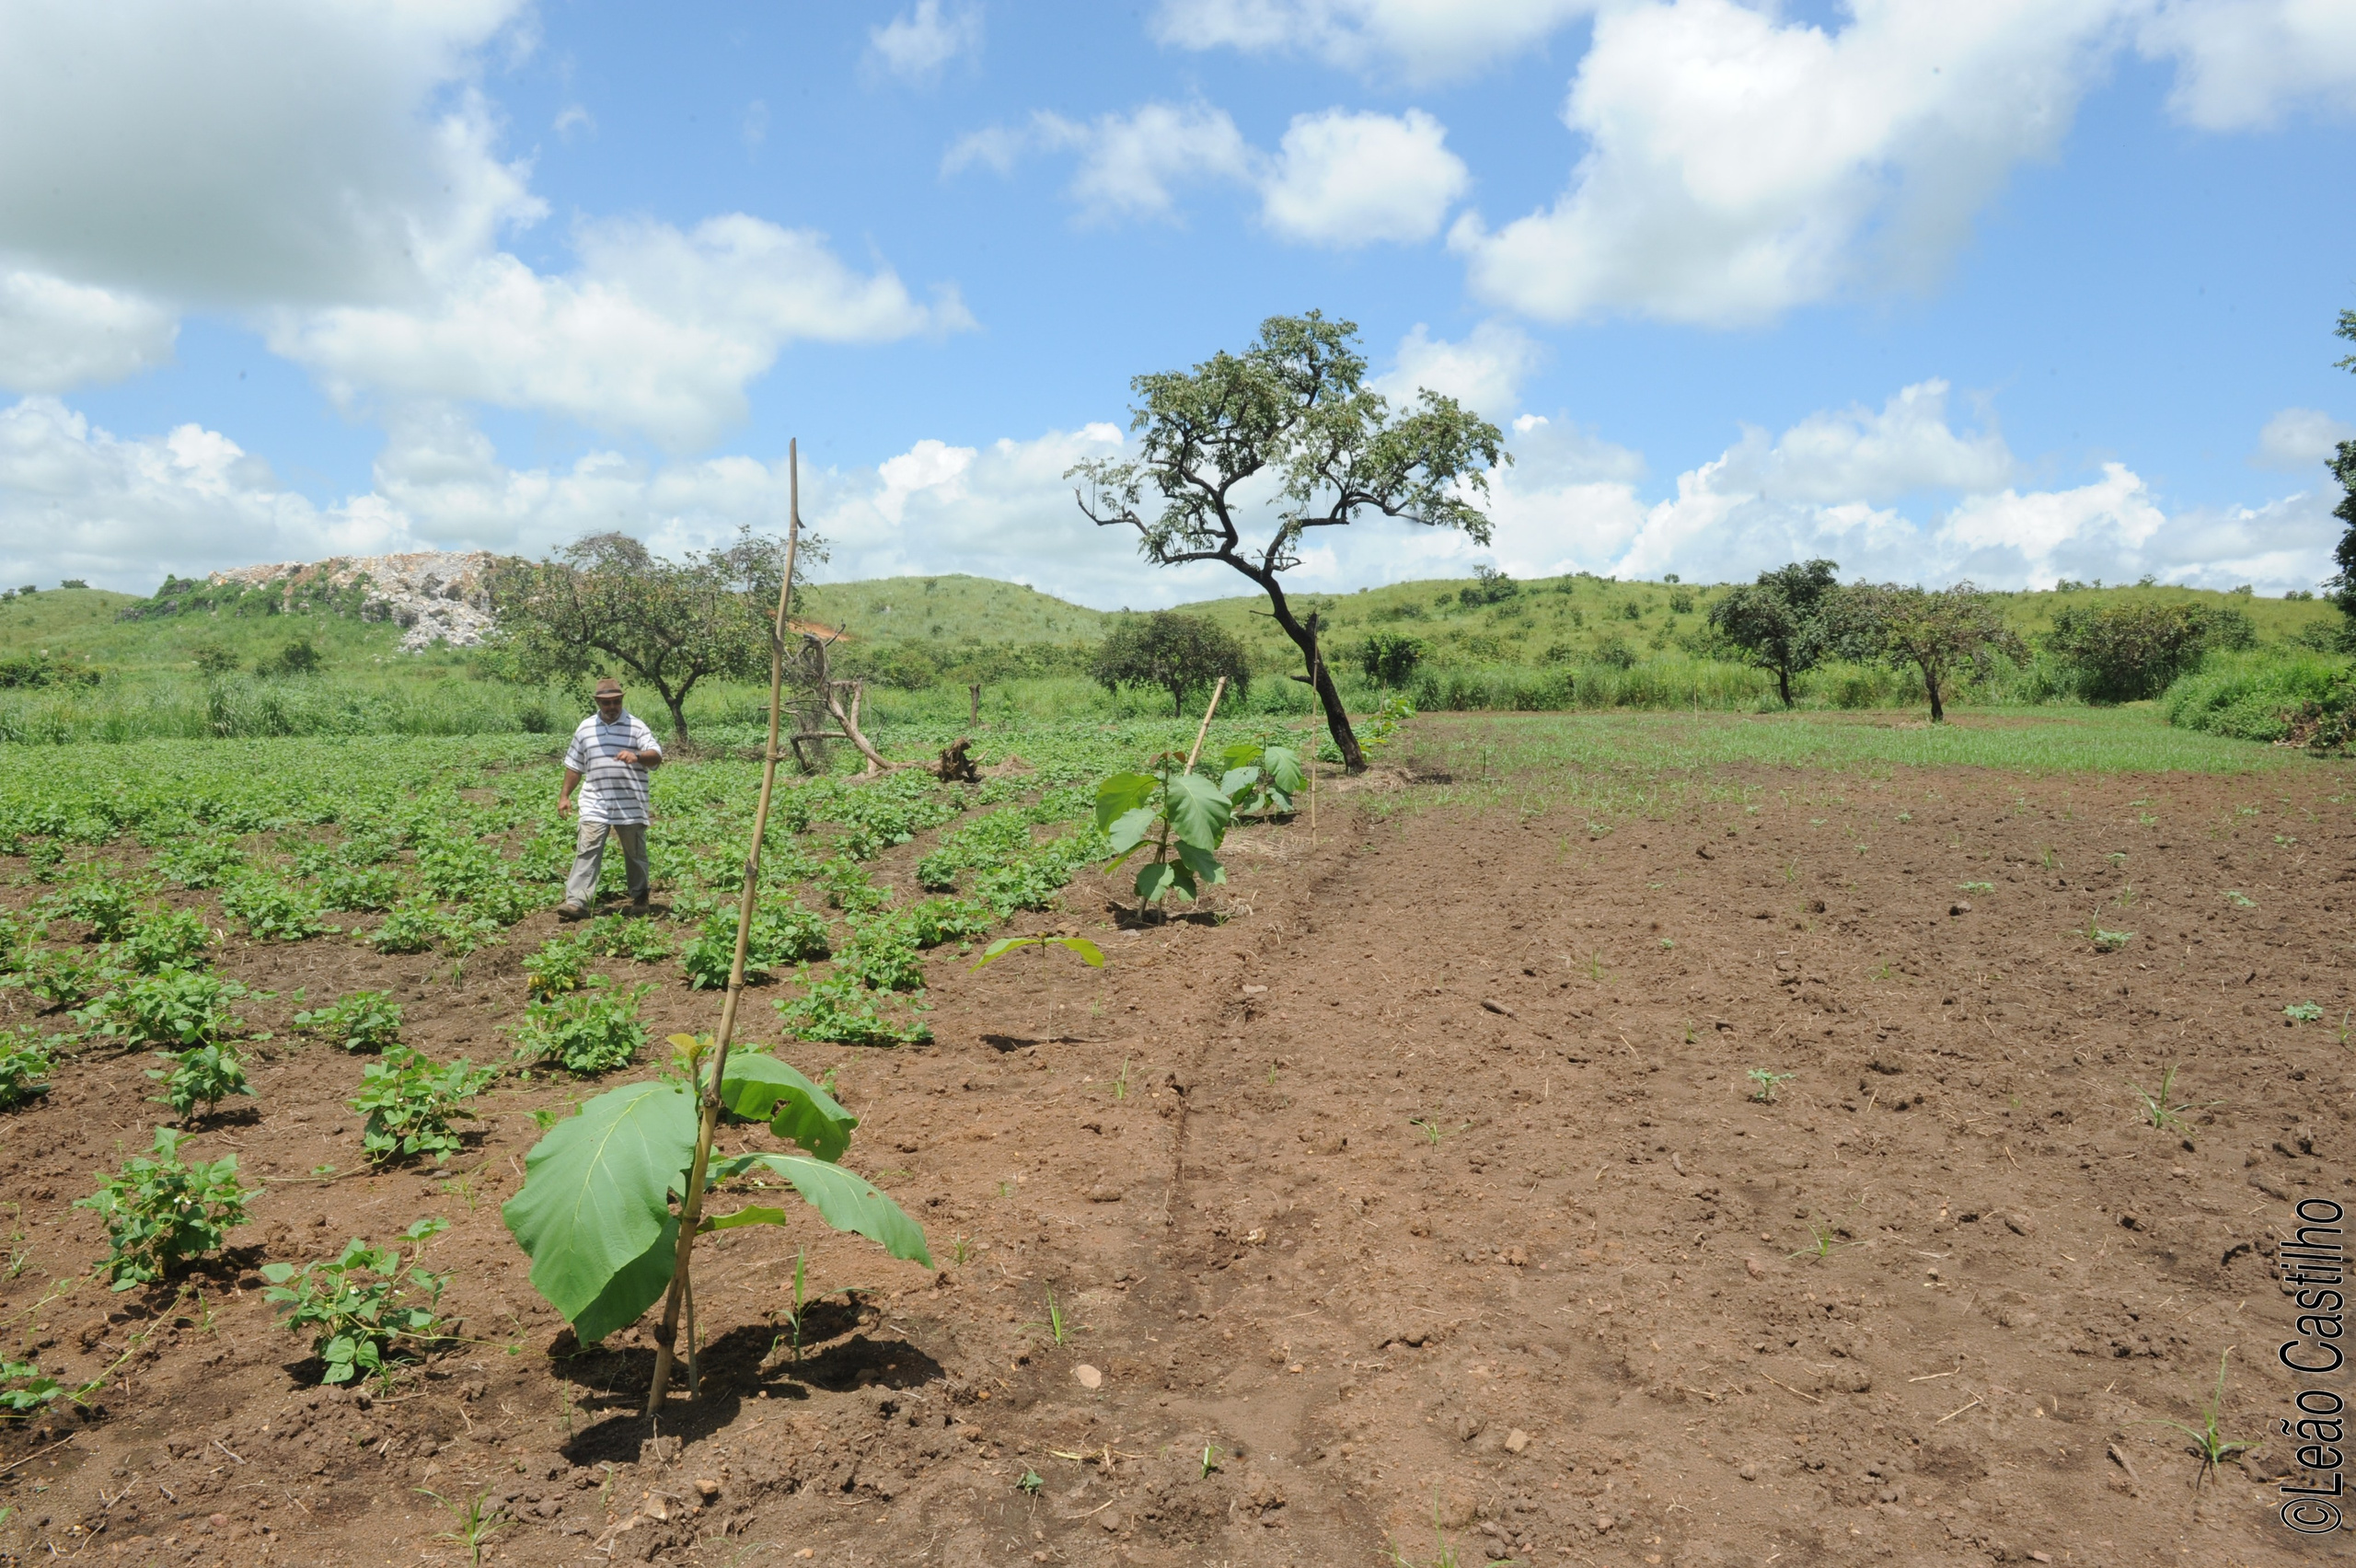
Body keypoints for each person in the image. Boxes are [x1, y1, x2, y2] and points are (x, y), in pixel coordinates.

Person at [556, 678, 662, 918]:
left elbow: (656, 756)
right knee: (587, 850)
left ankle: (640, 897)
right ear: (597, 702)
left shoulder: (636, 727)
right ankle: (576, 903)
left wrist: (637, 755)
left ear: (622, 700)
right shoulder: (585, 729)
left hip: (630, 803)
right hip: (595, 802)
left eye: (616, 702)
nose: (612, 707)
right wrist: (564, 796)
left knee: (635, 853)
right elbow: (575, 765)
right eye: (606, 703)